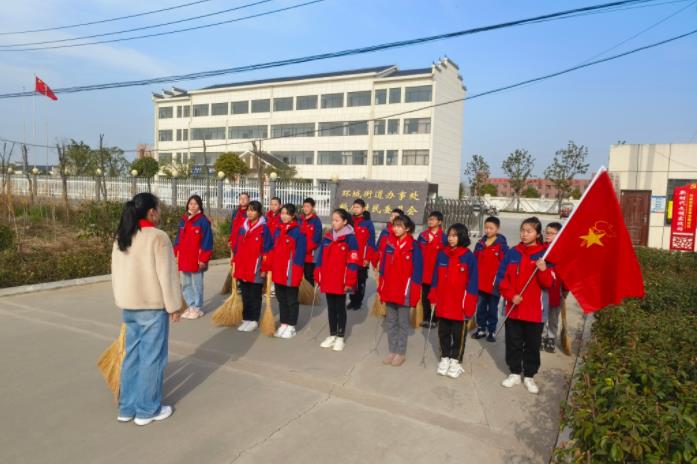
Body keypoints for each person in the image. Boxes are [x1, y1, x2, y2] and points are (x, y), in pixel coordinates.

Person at [111, 192, 184, 426]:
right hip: (152, 307)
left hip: (129, 306)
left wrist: (122, 299)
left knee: (132, 356)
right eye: (158, 209)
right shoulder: (158, 237)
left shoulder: (123, 235)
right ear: (151, 212)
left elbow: (116, 272)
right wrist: (174, 305)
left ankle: (127, 408)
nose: (159, 213)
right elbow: (167, 275)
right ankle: (147, 409)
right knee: (153, 358)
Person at [497, 216, 554, 394]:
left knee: (532, 345)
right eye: (522, 230)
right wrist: (510, 295)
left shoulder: (545, 254)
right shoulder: (513, 252)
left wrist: (543, 270)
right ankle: (514, 372)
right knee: (513, 343)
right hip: (514, 308)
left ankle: (529, 375)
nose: (524, 234)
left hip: (534, 311)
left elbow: (549, 284)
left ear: (538, 234)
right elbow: (501, 278)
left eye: (529, 231)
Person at [429, 223, 478, 379]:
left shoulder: (468, 257)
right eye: (449, 235)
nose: (451, 238)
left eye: (455, 235)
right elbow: (435, 278)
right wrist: (433, 296)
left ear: (462, 237)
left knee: (458, 335)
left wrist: (469, 302)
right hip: (443, 302)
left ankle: (455, 361)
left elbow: (473, 282)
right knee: (443, 332)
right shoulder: (442, 255)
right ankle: (445, 358)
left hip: (459, 304)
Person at [378, 215, 422, 367]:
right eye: (394, 226)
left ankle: (400, 352)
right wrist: (382, 286)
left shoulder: (414, 246)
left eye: (399, 226)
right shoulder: (389, 243)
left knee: (403, 323)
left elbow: (417, 273)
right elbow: (383, 267)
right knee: (390, 321)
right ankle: (392, 350)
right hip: (390, 288)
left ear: (407, 228)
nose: (395, 229)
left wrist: (414, 292)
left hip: (404, 291)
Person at [314, 208, 360, 351]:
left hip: (342, 280)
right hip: (328, 278)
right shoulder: (328, 237)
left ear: (345, 221)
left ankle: (340, 337)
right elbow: (320, 258)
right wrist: (318, 275)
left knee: (340, 308)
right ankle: (332, 334)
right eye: (332, 220)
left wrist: (349, 281)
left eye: (337, 220)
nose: (333, 223)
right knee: (331, 308)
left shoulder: (350, 239)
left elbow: (353, 262)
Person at [263, 204, 307, 339]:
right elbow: (272, 249)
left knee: (291, 299)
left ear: (293, 215)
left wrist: (297, 273)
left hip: (291, 272)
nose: (284, 216)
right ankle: (284, 323)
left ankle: (291, 325)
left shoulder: (298, 232)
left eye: (287, 213)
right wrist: (268, 266)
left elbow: (300, 256)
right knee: (281, 298)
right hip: (278, 271)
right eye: (282, 213)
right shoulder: (278, 230)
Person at [232, 201, 273, 332]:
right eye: (248, 210)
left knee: (254, 295)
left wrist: (265, 268)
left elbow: (267, 250)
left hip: (256, 268)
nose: (249, 213)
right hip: (242, 266)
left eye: (253, 210)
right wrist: (235, 262)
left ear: (259, 213)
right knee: (245, 294)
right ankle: (246, 318)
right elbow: (237, 247)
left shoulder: (264, 229)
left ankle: (254, 319)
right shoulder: (243, 227)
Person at [173, 195, 213, 320]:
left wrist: (203, 258)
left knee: (197, 284)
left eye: (195, 204)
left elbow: (207, 241)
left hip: (197, 259)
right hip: (184, 257)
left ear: (200, 205)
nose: (193, 206)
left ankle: (197, 307)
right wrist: (176, 252)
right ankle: (190, 305)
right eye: (190, 204)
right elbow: (178, 238)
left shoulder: (203, 221)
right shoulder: (184, 220)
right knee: (185, 283)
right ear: (187, 205)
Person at [472, 216, 509, 341]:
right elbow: (474, 260)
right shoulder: (480, 244)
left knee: (493, 308)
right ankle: (481, 328)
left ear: (497, 229)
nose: (487, 230)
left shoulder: (502, 246)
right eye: (486, 228)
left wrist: (502, 281)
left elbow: (506, 265)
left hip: (494, 285)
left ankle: (491, 330)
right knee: (480, 307)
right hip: (480, 283)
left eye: (491, 228)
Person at [417, 211, 447, 328]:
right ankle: (425, 318)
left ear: (439, 222)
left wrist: (433, 242)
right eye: (429, 219)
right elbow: (417, 252)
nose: (430, 221)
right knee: (425, 297)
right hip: (424, 272)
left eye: (433, 219)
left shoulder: (444, 238)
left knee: (435, 296)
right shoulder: (422, 236)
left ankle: (434, 319)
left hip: (436, 273)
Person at [348, 199, 376, 310]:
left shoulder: (368, 223)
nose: (355, 209)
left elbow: (371, 242)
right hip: (350, 258)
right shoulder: (349, 221)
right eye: (354, 207)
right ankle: (352, 300)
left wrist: (367, 258)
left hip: (362, 258)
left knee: (360, 281)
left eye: (358, 207)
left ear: (363, 209)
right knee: (351, 279)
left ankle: (358, 301)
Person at [542, 222, 565, 353]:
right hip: (542, 289)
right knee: (542, 314)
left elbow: (567, 273)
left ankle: (551, 337)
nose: (548, 235)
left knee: (553, 316)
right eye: (547, 232)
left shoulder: (562, 250)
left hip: (556, 290)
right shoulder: (541, 249)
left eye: (552, 233)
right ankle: (542, 335)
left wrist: (566, 290)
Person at [228, 192, 250, 294]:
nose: (242, 200)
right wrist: (230, 240)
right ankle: (237, 283)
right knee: (235, 264)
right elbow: (232, 227)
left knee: (245, 264)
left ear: (248, 200)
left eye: (245, 198)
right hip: (236, 242)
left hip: (246, 242)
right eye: (241, 198)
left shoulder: (250, 212)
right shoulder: (235, 212)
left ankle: (244, 284)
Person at [298, 197, 323, 287]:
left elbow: (316, 239)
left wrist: (304, 249)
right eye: (304, 206)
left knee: (308, 276)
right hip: (299, 254)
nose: (305, 208)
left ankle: (310, 293)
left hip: (310, 255)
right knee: (299, 275)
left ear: (312, 207)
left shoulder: (316, 221)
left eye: (308, 206)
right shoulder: (300, 220)